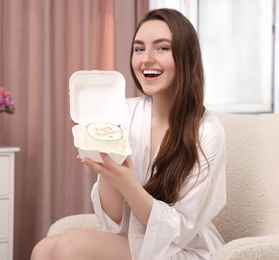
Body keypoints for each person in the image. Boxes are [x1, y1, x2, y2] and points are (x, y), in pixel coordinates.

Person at [31, 8, 226, 260]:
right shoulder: (124, 113)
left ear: (186, 56)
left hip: (182, 248)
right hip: (134, 239)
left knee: (68, 248)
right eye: (139, 48)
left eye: (162, 48)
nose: (146, 59)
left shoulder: (207, 132)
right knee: (42, 249)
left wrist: (127, 182)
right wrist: (104, 155)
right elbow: (114, 221)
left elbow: (179, 232)